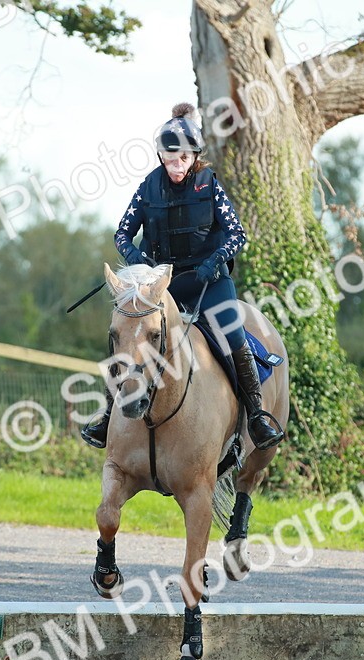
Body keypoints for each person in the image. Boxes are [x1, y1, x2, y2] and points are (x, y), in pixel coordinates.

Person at [81, 102, 286, 452]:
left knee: (232, 334)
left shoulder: (209, 185)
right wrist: (137, 259)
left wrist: (216, 259)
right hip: (163, 285)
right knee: (127, 333)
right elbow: (122, 234)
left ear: (194, 156)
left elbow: (237, 233)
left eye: (183, 159)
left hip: (210, 282)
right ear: (161, 155)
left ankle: (256, 415)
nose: (176, 167)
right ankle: (107, 415)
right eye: (169, 158)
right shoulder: (149, 187)